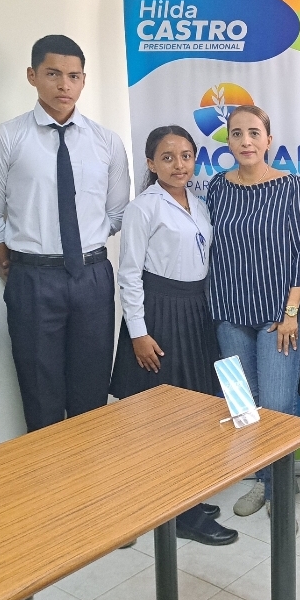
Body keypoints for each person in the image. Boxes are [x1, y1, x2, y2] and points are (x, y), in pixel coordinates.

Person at [0, 35, 130, 433]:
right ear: (32, 76)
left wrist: (82, 249)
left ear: (84, 80)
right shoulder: (5, 138)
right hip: (33, 278)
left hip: (92, 276)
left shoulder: (106, 142)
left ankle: (89, 471)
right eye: (53, 74)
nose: (64, 85)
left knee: (91, 395)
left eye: (74, 76)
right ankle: (47, 473)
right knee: (40, 395)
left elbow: (116, 213)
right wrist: (13, 264)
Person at [109, 125, 237, 546]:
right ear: (151, 163)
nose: (179, 165)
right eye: (167, 157)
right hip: (160, 313)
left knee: (196, 407)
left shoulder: (199, 204)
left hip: (196, 310)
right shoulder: (143, 208)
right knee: (167, 415)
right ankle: (182, 514)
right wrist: (139, 333)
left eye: (185, 156)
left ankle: (188, 497)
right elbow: (129, 274)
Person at [206, 105, 300, 517]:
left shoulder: (290, 187)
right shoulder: (217, 188)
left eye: (254, 133)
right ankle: (263, 480)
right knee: (242, 406)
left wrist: (291, 314)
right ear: (228, 141)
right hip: (229, 316)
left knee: (276, 405)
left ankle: (279, 491)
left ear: (269, 140)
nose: (245, 141)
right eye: (236, 133)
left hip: (277, 318)